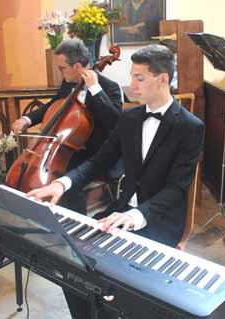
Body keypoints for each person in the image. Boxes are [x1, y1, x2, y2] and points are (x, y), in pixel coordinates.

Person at [27, 44, 205, 319]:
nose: (131, 84)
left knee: (115, 286)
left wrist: (135, 217)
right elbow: (98, 161)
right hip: (120, 214)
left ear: (163, 80)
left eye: (140, 78)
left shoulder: (190, 127)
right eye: (131, 76)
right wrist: (62, 183)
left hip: (158, 221)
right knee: (71, 268)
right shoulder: (130, 118)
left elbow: (176, 189)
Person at [11, 39, 122, 213]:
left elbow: (114, 123)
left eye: (62, 68)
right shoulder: (68, 83)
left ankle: (75, 226)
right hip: (67, 148)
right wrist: (27, 119)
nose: (60, 72)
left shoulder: (110, 88)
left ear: (77, 66)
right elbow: (54, 106)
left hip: (97, 154)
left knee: (68, 180)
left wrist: (95, 89)